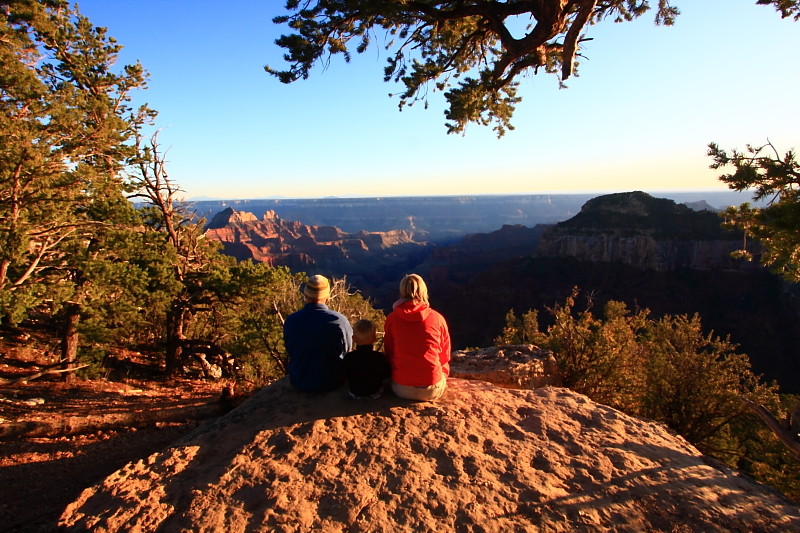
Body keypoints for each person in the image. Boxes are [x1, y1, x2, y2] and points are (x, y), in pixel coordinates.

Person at [384, 273, 451, 401]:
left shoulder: (392, 319)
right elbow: (445, 356)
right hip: (432, 388)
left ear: (402, 291)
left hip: (401, 388)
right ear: (424, 291)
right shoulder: (437, 318)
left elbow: (389, 353)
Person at [283, 274, 353, 392]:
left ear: (305, 295)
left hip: (300, 380)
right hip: (333, 380)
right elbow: (347, 349)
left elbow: (290, 349)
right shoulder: (340, 320)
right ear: (327, 296)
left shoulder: (291, 320)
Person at [343, 319, 391, 400]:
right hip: (375, 393)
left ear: (353, 338)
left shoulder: (349, 357)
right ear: (374, 339)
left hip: (355, 393)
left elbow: (343, 375)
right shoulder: (379, 358)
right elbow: (386, 374)